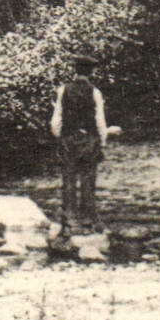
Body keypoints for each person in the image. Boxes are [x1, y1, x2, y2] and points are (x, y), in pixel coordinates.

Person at [50, 57, 117, 229]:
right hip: (88, 139)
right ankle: (88, 217)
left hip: (68, 138)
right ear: (91, 72)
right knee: (88, 178)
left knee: (69, 178)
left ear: (75, 70)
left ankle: (69, 217)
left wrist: (59, 136)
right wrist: (102, 140)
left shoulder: (62, 90)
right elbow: (99, 119)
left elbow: (56, 118)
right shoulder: (95, 92)